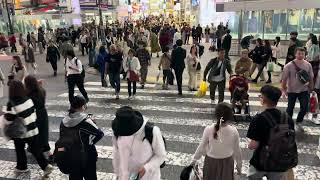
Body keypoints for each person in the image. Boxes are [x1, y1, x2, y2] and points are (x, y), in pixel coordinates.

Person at [5, 80, 53, 176]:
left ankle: (22, 167)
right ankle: (46, 166)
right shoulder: (28, 99)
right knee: (36, 149)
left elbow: (9, 119)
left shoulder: (11, 103)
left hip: (20, 132)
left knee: (20, 149)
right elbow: (33, 113)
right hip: (33, 129)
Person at [247, 85, 295, 180]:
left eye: (260, 96)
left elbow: (253, 145)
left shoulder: (258, 119)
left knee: (252, 176)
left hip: (261, 162)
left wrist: (249, 144)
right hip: (280, 162)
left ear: (264, 99)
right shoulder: (286, 118)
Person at [112, 106, 166, 180]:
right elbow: (116, 154)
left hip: (149, 177)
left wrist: (146, 168)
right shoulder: (118, 131)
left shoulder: (151, 131)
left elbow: (161, 155)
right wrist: (118, 174)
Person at [192, 102, 242, 180]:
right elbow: (237, 151)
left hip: (211, 162)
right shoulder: (234, 131)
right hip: (227, 163)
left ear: (216, 115)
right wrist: (239, 166)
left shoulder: (208, 129)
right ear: (230, 116)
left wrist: (194, 160)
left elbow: (201, 146)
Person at [62, 95, 104, 179]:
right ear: (82, 106)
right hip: (87, 156)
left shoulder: (64, 121)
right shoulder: (86, 121)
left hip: (71, 156)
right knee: (90, 177)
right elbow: (100, 133)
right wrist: (90, 142)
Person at [282, 47, 314, 131]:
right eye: (299, 53)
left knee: (304, 108)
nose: (300, 55)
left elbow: (311, 78)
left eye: (302, 54)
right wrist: (284, 90)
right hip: (292, 90)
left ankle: (299, 121)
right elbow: (284, 79)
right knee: (290, 108)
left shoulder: (308, 65)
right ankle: (288, 123)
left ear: (305, 54)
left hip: (304, 90)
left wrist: (311, 88)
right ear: (295, 54)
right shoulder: (288, 65)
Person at [24, 75, 51, 160]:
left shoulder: (28, 94)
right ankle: (47, 151)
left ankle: (37, 150)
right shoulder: (42, 91)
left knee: (35, 133)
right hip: (43, 113)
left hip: (34, 115)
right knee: (43, 132)